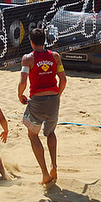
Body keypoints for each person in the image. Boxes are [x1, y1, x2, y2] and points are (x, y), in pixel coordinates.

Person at [18, 28, 67, 186]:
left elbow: (23, 81)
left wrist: (20, 95)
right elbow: (63, 80)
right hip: (53, 98)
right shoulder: (55, 56)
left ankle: (45, 174)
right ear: (44, 40)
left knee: (33, 135)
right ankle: (54, 165)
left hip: (37, 100)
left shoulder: (27, 58)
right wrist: (57, 95)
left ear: (31, 42)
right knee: (51, 132)